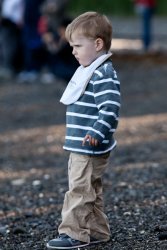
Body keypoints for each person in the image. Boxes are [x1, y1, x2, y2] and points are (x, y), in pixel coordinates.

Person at [46, 11, 121, 249]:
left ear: (98, 44)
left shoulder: (102, 73)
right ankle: (98, 231)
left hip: (89, 145)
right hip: (82, 144)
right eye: (72, 46)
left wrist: (97, 133)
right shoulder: (92, 69)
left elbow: (110, 108)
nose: (73, 51)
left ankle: (74, 234)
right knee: (92, 189)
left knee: (78, 190)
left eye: (78, 45)